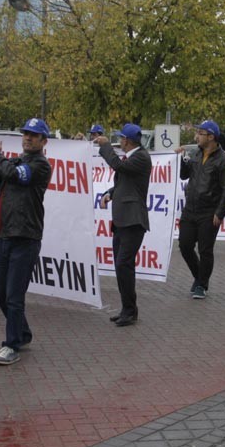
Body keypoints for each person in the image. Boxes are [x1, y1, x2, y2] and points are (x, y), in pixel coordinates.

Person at [0, 118, 53, 365]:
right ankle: (22, 333)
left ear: (44, 141)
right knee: (1, 294)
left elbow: (11, 174)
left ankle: (11, 344)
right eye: (25, 134)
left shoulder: (40, 165)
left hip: (24, 239)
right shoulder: (15, 161)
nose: (28, 138)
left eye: (34, 135)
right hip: (2, 238)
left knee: (13, 296)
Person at [94, 124, 151, 326]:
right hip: (122, 220)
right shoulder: (133, 158)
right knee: (122, 267)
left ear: (127, 140)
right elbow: (124, 182)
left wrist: (105, 146)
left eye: (121, 139)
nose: (120, 142)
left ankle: (129, 310)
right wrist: (110, 193)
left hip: (133, 221)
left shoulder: (141, 157)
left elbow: (119, 167)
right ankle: (128, 309)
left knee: (123, 264)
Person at [176, 120, 225, 300]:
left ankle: (202, 284)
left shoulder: (223, 160)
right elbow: (184, 175)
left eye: (200, 133)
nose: (196, 136)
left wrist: (220, 212)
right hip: (190, 209)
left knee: (205, 250)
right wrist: (181, 159)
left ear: (211, 137)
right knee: (184, 245)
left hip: (209, 212)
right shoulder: (195, 153)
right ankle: (199, 276)